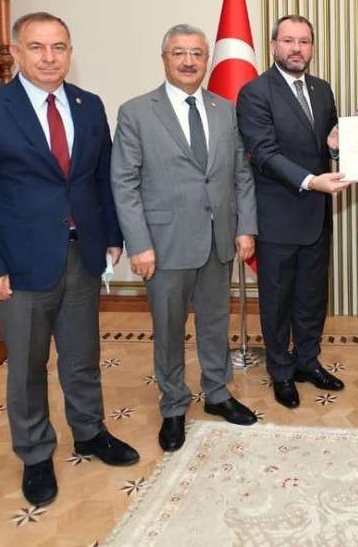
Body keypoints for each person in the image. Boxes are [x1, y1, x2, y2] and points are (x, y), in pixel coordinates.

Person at [0, 12, 139, 507]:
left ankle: (90, 432)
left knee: (82, 357)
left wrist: (112, 236)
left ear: (71, 52)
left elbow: (101, 178)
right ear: (16, 52)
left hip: (82, 255)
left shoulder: (88, 105)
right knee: (28, 366)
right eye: (37, 47)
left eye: (59, 47)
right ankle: (35, 454)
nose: (50, 58)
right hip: (19, 264)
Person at [111, 24, 259, 452]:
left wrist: (245, 227)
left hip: (217, 239)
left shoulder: (225, 110)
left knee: (215, 323)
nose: (189, 61)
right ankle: (174, 404)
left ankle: (217, 392)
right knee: (169, 330)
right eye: (179, 53)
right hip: (163, 245)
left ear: (207, 59)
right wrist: (139, 244)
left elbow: (241, 174)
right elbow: (124, 183)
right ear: (165, 59)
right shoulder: (137, 112)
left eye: (197, 53)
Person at [236, 15, 350, 409]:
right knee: (277, 300)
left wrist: (338, 143)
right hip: (277, 217)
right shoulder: (255, 92)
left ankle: (307, 361)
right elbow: (264, 153)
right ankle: (281, 371)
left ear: (312, 47)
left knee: (312, 297)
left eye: (304, 41)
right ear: (273, 46)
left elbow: (326, 145)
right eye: (288, 41)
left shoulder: (322, 89)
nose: (296, 48)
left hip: (316, 217)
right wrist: (311, 181)